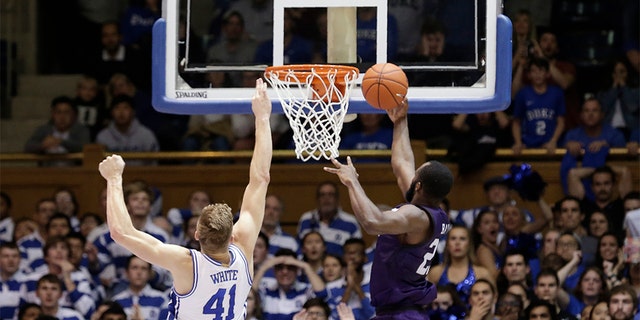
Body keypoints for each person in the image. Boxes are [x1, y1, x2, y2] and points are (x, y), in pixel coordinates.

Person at [98, 78, 272, 319]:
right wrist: (263, 119)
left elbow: (120, 232)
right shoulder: (243, 246)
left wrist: (114, 179)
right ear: (232, 234)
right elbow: (261, 178)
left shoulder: (186, 263)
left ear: (197, 234)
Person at [324, 99, 453, 318]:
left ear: (419, 185)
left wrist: (352, 182)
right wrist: (400, 121)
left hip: (403, 313)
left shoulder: (415, 216)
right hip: (397, 311)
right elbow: (402, 163)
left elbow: (372, 223)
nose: (412, 175)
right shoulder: (430, 211)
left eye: (417, 174)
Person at [560, 96, 627, 195]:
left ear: (602, 115)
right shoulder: (572, 135)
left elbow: (624, 157)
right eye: (586, 111)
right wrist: (567, 145)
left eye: (594, 110)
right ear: (581, 115)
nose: (590, 114)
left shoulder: (614, 134)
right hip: (580, 183)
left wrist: (607, 145)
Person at [511, 57, 566, 155]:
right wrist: (518, 142)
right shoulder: (523, 94)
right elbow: (516, 122)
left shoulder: (557, 93)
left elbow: (561, 122)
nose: (537, 74)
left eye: (541, 70)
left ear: (548, 74)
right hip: (528, 146)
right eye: (534, 71)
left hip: (550, 146)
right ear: (529, 75)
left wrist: (553, 141)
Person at [427, 225, 493, 305]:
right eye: (453, 238)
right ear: (447, 244)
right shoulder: (436, 273)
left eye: (462, 239)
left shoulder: (482, 273)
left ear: (469, 244)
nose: (457, 243)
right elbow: (427, 302)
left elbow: (493, 299)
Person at [297, 181, 361, 257]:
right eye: (322, 195)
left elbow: (357, 251)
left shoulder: (350, 222)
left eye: (331, 195)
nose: (326, 198)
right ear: (317, 199)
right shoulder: (306, 219)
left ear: (337, 199)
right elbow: (299, 249)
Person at [24, 96, 91, 166]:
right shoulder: (44, 130)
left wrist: (61, 142)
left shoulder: (81, 130)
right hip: (47, 172)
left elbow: (85, 149)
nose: (62, 117)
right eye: (58, 112)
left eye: (66, 112)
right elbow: (28, 147)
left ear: (74, 115)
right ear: (52, 114)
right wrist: (42, 145)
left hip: (74, 173)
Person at [95, 94, 159, 165]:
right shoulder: (102, 137)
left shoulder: (146, 135)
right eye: (117, 108)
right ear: (112, 112)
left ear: (133, 112)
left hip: (140, 175)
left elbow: (153, 164)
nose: (121, 112)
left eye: (126, 108)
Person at [567, 165, 632, 233]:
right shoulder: (585, 206)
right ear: (592, 187)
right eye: (598, 184)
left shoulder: (620, 205)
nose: (602, 188)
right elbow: (573, 174)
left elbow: (625, 171)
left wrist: (604, 167)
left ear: (613, 185)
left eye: (606, 183)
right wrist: (596, 168)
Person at [111, 255, 168, 320]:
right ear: (126, 272)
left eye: (143, 268)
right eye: (134, 268)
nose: (139, 272)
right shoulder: (116, 301)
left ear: (150, 273)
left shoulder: (162, 299)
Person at [596, 58, 639, 140]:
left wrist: (623, 86)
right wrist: (614, 88)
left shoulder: (636, 91)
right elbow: (603, 109)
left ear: (627, 73)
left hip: (631, 129)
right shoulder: (603, 93)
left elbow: (632, 106)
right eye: (615, 72)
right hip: (609, 129)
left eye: (622, 72)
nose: (619, 75)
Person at [73, 75, 109, 141]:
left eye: (91, 89)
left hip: (94, 136)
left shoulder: (100, 107)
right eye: (84, 89)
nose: (88, 92)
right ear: (78, 91)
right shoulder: (72, 105)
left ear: (96, 93)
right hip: (75, 136)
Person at [0, 242, 26, 320]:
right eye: (6, 256)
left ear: (20, 259)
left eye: (14, 256)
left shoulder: (29, 282)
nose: (10, 260)